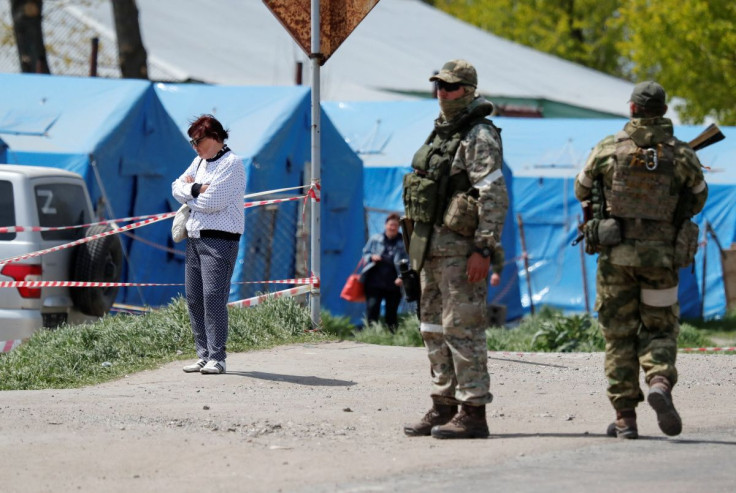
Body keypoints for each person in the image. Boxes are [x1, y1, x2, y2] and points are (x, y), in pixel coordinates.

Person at [575, 81, 708, 439]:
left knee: (618, 337)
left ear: (632, 109)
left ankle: (625, 419)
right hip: (660, 260)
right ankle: (660, 381)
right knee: (659, 328)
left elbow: (581, 188)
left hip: (616, 259)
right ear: (663, 112)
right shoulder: (681, 154)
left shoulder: (607, 147)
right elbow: (697, 199)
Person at [402, 60, 508, 439]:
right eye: (439, 87)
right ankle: (443, 404)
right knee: (432, 328)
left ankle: (473, 411)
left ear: (468, 90)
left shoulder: (479, 135)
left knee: (462, 329)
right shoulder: (440, 133)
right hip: (429, 248)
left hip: (462, 251)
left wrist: (483, 248)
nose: (442, 94)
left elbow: (493, 194)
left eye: (450, 87)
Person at [172, 114, 245, 375]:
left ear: (214, 137)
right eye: (192, 142)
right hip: (194, 237)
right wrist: (195, 190)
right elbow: (175, 187)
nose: (194, 147)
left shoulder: (232, 164)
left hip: (220, 239)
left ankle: (218, 356)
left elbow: (213, 203)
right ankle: (203, 354)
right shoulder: (199, 161)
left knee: (213, 297)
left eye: (197, 141)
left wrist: (192, 195)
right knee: (194, 298)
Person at [360, 212, 409, 332]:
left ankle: (391, 338)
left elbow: (408, 261)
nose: (392, 228)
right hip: (374, 282)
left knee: (391, 313)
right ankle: (370, 335)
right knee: (372, 309)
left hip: (393, 284)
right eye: (390, 225)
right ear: (385, 225)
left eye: (395, 226)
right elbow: (365, 253)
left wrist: (402, 277)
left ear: (398, 227)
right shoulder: (375, 239)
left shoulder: (403, 242)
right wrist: (372, 257)